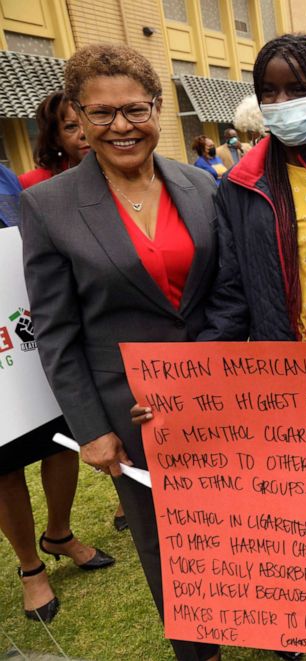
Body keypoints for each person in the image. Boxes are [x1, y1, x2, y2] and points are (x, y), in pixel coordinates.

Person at [129, 33, 306, 661]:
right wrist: (187, 390)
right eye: (269, 92)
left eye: (297, 90)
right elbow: (230, 298)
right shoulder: (239, 185)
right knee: (294, 524)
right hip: (279, 390)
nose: (282, 104)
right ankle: (298, 638)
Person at [20, 43, 219, 661]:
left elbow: (225, 292)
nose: (121, 127)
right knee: (166, 539)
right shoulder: (49, 206)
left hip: (219, 396)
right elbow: (54, 331)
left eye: (134, 110)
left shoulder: (200, 184)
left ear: (157, 108)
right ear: (77, 116)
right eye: (100, 114)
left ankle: (263, 619)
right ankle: (200, 649)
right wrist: (91, 431)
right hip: (132, 413)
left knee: (236, 516)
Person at [1, 163, 115, 627]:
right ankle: (31, 566)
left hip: (28, 329)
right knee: (5, 461)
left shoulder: (6, 176)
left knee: (62, 438)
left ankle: (60, 533)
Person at [18, 91, 129, 534]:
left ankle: (126, 499)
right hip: (76, 352)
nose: (85, 133)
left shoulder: (157, 183)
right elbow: (50, 312)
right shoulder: (37, 193)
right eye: (73, 125)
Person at [18, 90, 90, 188]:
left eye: (89, 123)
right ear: (56, 138)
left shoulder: (117, 174)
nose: (83, 133)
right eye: (71, 127)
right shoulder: (32, 184)